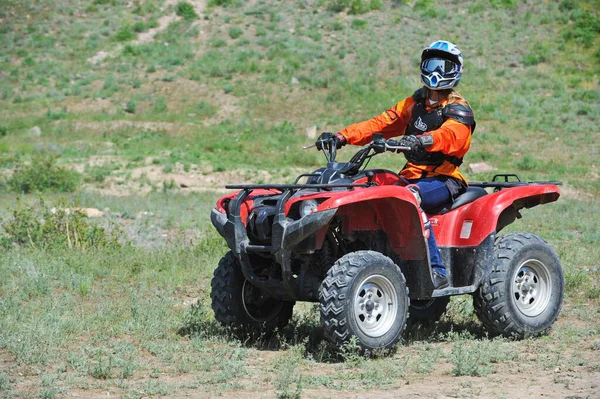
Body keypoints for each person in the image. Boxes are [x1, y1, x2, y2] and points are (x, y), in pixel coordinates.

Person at [316, 40, 476, 290]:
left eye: (443, 65)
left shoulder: (459, 111)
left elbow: (450, 137)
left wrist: (420, 139)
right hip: (410, 176)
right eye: (431, 64)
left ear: (455, 70)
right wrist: (342, 136)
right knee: (364, 185)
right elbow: (380, 124)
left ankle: (436, 269)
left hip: (444, 180)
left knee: (411, 197)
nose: (436, 71)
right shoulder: (414, 105)